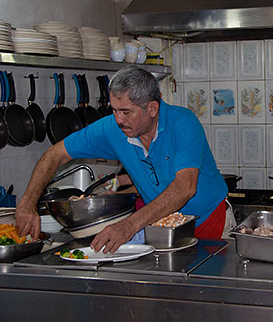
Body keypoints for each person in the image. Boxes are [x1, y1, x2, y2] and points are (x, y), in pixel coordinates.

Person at [16, 66, 228, 253]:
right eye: (115, 110)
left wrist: (128, 226)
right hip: (161, 228)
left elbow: (185, 188)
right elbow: (55, 154)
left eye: (126, 112)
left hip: (211, 223)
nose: (118, 120)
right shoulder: (113, 128)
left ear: (152, 108)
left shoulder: (183, 122)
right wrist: (27, 203)